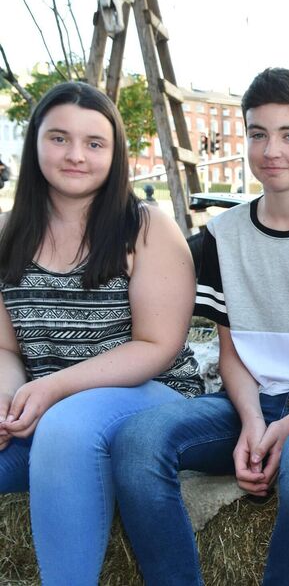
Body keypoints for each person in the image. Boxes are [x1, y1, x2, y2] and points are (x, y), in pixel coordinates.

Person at [111, 68, 289, 585]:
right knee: (138, 440)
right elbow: (231, 353)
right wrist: (253, 423)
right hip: (254, 401)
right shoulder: (223, 236)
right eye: (257, 133)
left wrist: (287, 429)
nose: (271, 149)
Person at [0, 82, 201, 585]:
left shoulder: (146, 227)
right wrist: (8, 404)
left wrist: (49, 390)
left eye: (94, 143)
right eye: (59, 138)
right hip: (45, 414)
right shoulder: (5, 235)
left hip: (149, 399)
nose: (75, 155)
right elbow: (4, 348)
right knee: (59, 428)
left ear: (115, 155)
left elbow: (158, 345)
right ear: (35, 144)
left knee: (69, 426)